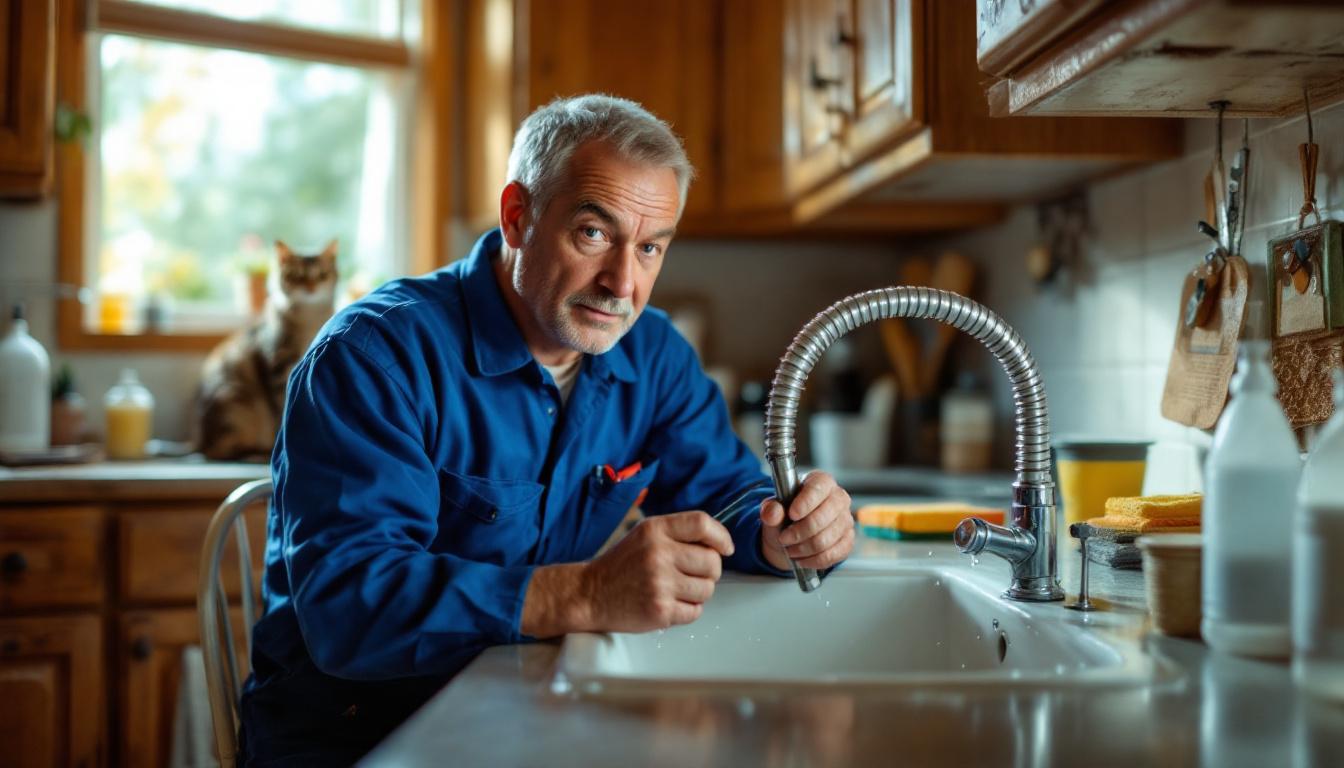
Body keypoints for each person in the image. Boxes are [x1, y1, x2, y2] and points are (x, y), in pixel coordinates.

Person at [238, 94, 855, 765]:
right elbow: (350, 608)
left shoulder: (653, 355)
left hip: (521, 714)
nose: (623, 283)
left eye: (650, 247)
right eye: (593, 234)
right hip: (355, 739)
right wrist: (585, 593)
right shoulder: (373, 357)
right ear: (517, 217)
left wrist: (785, 531)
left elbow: (729, 494)